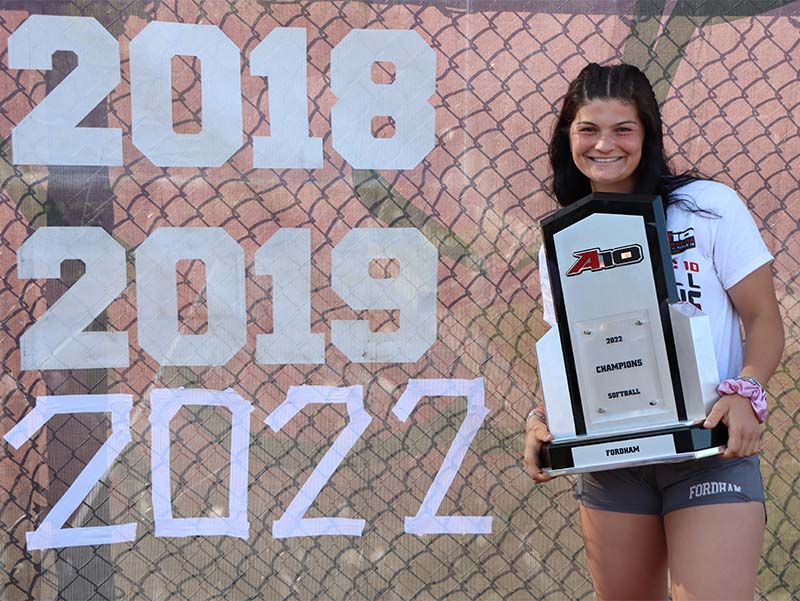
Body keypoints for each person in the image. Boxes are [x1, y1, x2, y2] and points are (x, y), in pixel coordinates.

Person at [523, 63, 785, 600]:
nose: (605, 144)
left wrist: (748, 392)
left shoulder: (708, 208)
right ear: (568, 136)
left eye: (623, 129)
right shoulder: (564, 240)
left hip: (707, 452)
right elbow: (574, 350)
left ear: (648, 135)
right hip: (612, 461)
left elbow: (763, 318)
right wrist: (543, 416)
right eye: (588, 129)